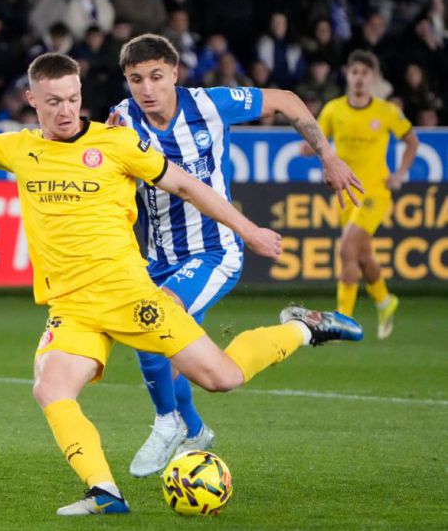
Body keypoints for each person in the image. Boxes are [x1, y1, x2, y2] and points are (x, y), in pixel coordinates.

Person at [0, 53, 363, 516]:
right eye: (53, 101)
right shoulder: (18, 149)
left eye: (72, 98)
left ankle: (301, 328)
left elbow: (186, 184)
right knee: (50, 386)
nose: (65, 110)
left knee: (221, 377)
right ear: (32, 101)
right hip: (71, 307)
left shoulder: (117, 143)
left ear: (82, 94)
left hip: (130, 297)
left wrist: (247, 230)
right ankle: (104, 490)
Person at [108, 33, 363, 478]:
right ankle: (299, 332)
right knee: (200, 367)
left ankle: (168, 424)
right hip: (158, 257)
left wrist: (328, 155)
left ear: (174, 73)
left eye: (155, 77)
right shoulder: (122, 121)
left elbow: (285, 99)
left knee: (152, 318)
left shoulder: (209, 105)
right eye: (135, 79)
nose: (146, 89)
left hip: (213, 250)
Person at [302, 50, 418, 339]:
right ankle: (384, 300)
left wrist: (400, 174)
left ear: (373, 79)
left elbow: (412, 141)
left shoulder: (387, 111)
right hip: (346, 192)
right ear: (347, 75)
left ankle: (343, 321)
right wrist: (311, 150)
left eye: (365, 74)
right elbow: (318, 140)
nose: (359, 79)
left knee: (345, 249)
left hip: (376, 192)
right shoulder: (333, 109)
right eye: (355, 73)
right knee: (361, 256)